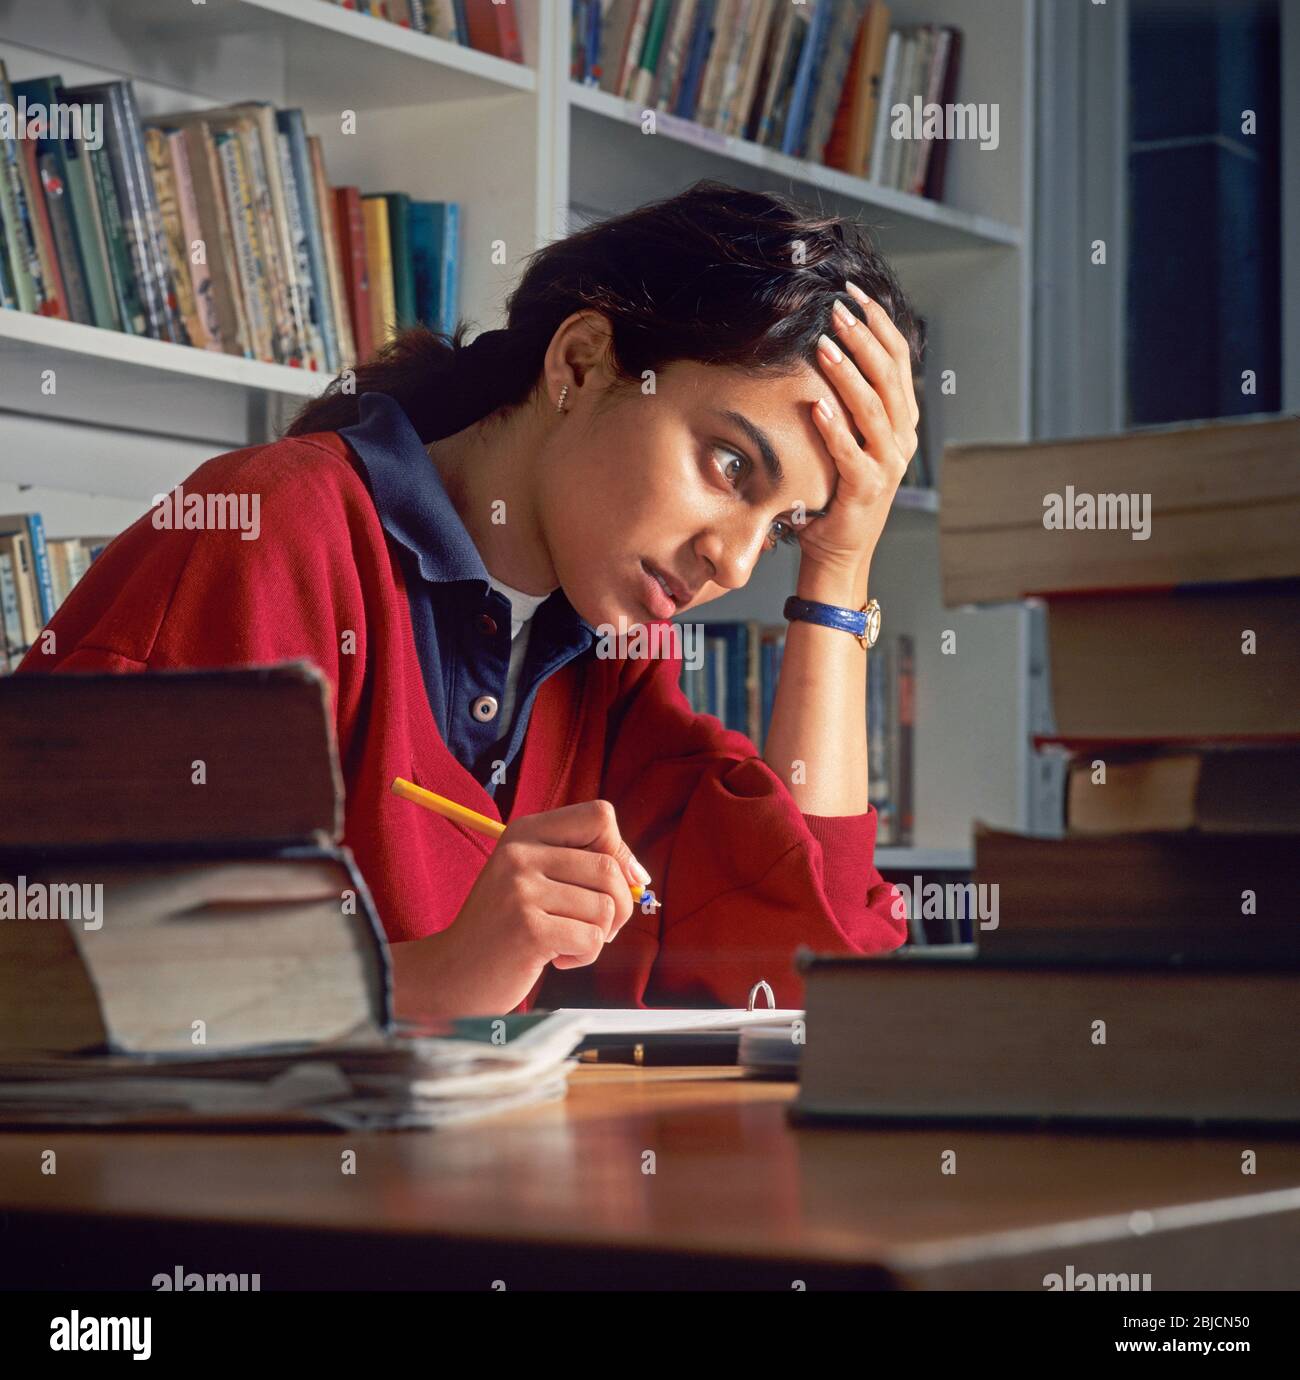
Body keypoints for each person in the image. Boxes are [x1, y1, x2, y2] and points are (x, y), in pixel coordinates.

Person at [19, 180, 923, 1017]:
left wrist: (837, 577)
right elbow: (55, 974)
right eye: (729, 466)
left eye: (781, 529)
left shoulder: (614, 652)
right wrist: (439, 977)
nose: (731, 563)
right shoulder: (271, 528)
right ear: (581, 363)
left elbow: (807, 961)